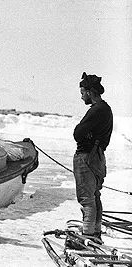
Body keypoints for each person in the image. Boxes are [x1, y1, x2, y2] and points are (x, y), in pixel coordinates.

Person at [73, 72, 113, 241]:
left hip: (86, 157)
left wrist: (85, 134)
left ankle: (87, 237)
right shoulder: (106, 109)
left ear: (89, 92)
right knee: (95, 196)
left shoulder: (96, 110)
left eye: (82, 93)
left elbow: (77, 133)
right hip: (98, 157)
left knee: (86, 198)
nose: (82, 97)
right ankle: (95, 233)